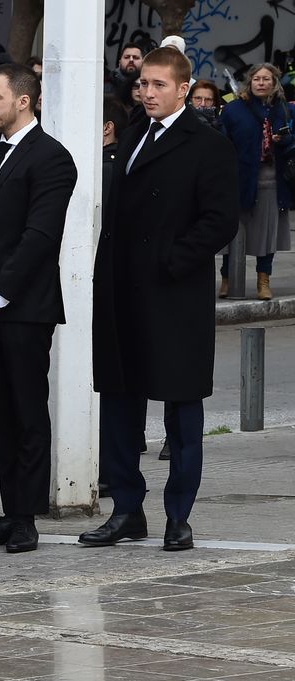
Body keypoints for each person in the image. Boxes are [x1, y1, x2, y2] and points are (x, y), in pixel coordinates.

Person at [82, 47, 239, 552]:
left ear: (182, 90)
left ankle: (179, 516)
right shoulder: (129, 137)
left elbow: (219, 221)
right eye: (142, 84)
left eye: (157, 85)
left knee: (181, 410)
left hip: (174, 299)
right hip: (122, 296)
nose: (147, 92)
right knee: (119, 407)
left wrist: (170, 262)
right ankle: (127, 509)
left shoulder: (207, 144)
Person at [0, 62, 77, 553]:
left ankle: (26, 516)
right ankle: (9, 511)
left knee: (27, 411)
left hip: (24, 309)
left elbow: (39, 239)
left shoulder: (52, 159)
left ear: (23, 101)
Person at [219, 63, 294, 300]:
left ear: (274, 83)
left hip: (272, 179)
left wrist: (284, 140)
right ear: (249, 82)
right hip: (240, 178)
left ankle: (264, 279)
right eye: (257, 79)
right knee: (233, 232)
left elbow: (293, 140)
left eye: (266, 79)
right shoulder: (234, 109)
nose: (261, 83)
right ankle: (227, 278)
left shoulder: (283, 109)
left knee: (267, 233)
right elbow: (224, 142)